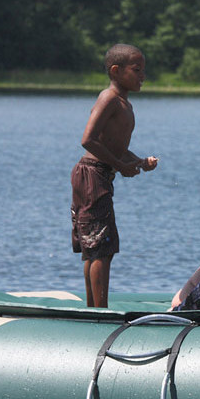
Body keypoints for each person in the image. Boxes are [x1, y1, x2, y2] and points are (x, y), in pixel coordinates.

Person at [71, 44, 158, 308]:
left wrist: (138, 162)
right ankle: (99, 311)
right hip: (92, 176)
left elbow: (114, 148)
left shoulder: (124, 103)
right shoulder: (108, 98)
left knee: (95, 248)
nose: (142, 75)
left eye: (143, 69)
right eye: (136, 70)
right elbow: (88, 139)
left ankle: (93, 309)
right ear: (116, 71)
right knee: (100, 249)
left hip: (98, 175)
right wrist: (120, 166)